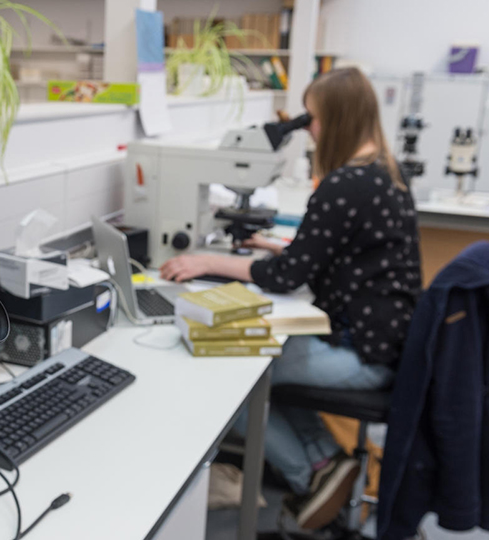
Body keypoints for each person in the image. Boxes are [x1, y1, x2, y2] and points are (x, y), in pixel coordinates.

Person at [160, 67, 422, 530]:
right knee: (271, 363)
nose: (310, 129)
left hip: (365, 356)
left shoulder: (344, 185)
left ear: (335, 120)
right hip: (387, 343)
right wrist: (281, 249)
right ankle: (327, 465)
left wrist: (206, 262)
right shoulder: (384, 169)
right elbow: (335, 255)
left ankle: (308, 480)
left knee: (235, 383)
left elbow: (285, 277)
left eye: (313, 119)